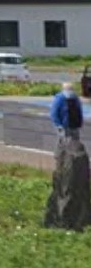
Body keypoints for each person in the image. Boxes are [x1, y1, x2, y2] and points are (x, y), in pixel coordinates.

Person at [44, 82, 91, 231]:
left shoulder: (75, 99)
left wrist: (79, 123)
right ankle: (61, 157)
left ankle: (71, 156)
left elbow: (79, 112)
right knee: (63, 143)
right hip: (64, 126)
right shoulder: (59, 99)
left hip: (74, 126)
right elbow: (54, 113)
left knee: (74, 143)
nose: (70, 92)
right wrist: (58, 125)